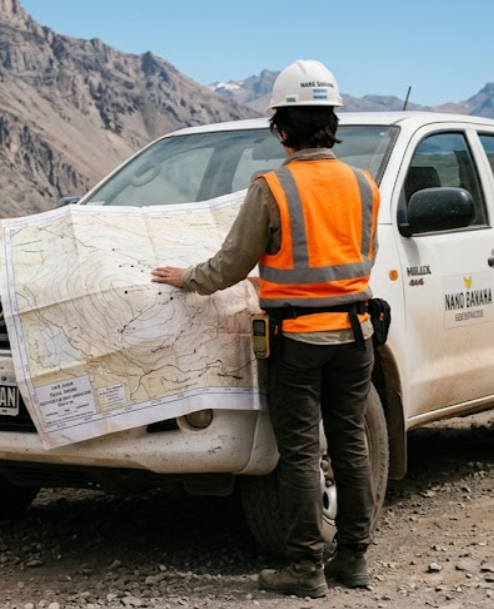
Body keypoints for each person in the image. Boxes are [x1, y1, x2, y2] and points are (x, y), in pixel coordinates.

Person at [151, 59, 380, 598]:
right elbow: (357, 257)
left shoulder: (273, 187)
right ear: (332, 123)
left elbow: (229, 265)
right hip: (357, 334)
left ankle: (305, 568)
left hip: (297, 341)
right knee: (351, 444)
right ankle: (354, 560)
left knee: (299, 453)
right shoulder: (363, 184)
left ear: (281, 128)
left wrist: (185, 278)